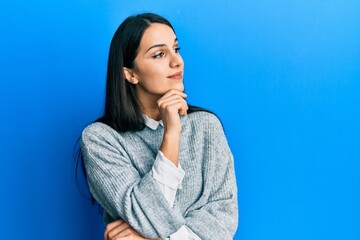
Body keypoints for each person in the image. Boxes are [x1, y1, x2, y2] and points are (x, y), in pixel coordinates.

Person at [80, 13, 238, 240]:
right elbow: (143, 214)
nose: (177, 61)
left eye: (176, 49)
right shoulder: (100, 139)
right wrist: (171, 134)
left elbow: (223, 220)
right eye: (159, 54)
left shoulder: (206, 126)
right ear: (131, 73)